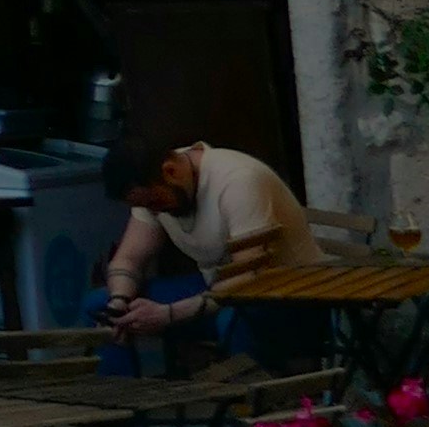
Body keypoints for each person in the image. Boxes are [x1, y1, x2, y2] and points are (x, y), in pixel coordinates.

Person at [100, 134, 318, 334]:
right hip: (217, 288)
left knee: (232, 321)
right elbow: (128, 259)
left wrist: (170, 313)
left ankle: (244, 375)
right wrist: (118, 302)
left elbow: (249, 277)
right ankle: (115, 377)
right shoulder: (154, 185)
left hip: (287, 293)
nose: (154, 212)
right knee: (102, 306)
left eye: (155, 203)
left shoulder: (238, 181)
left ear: (171, 172)